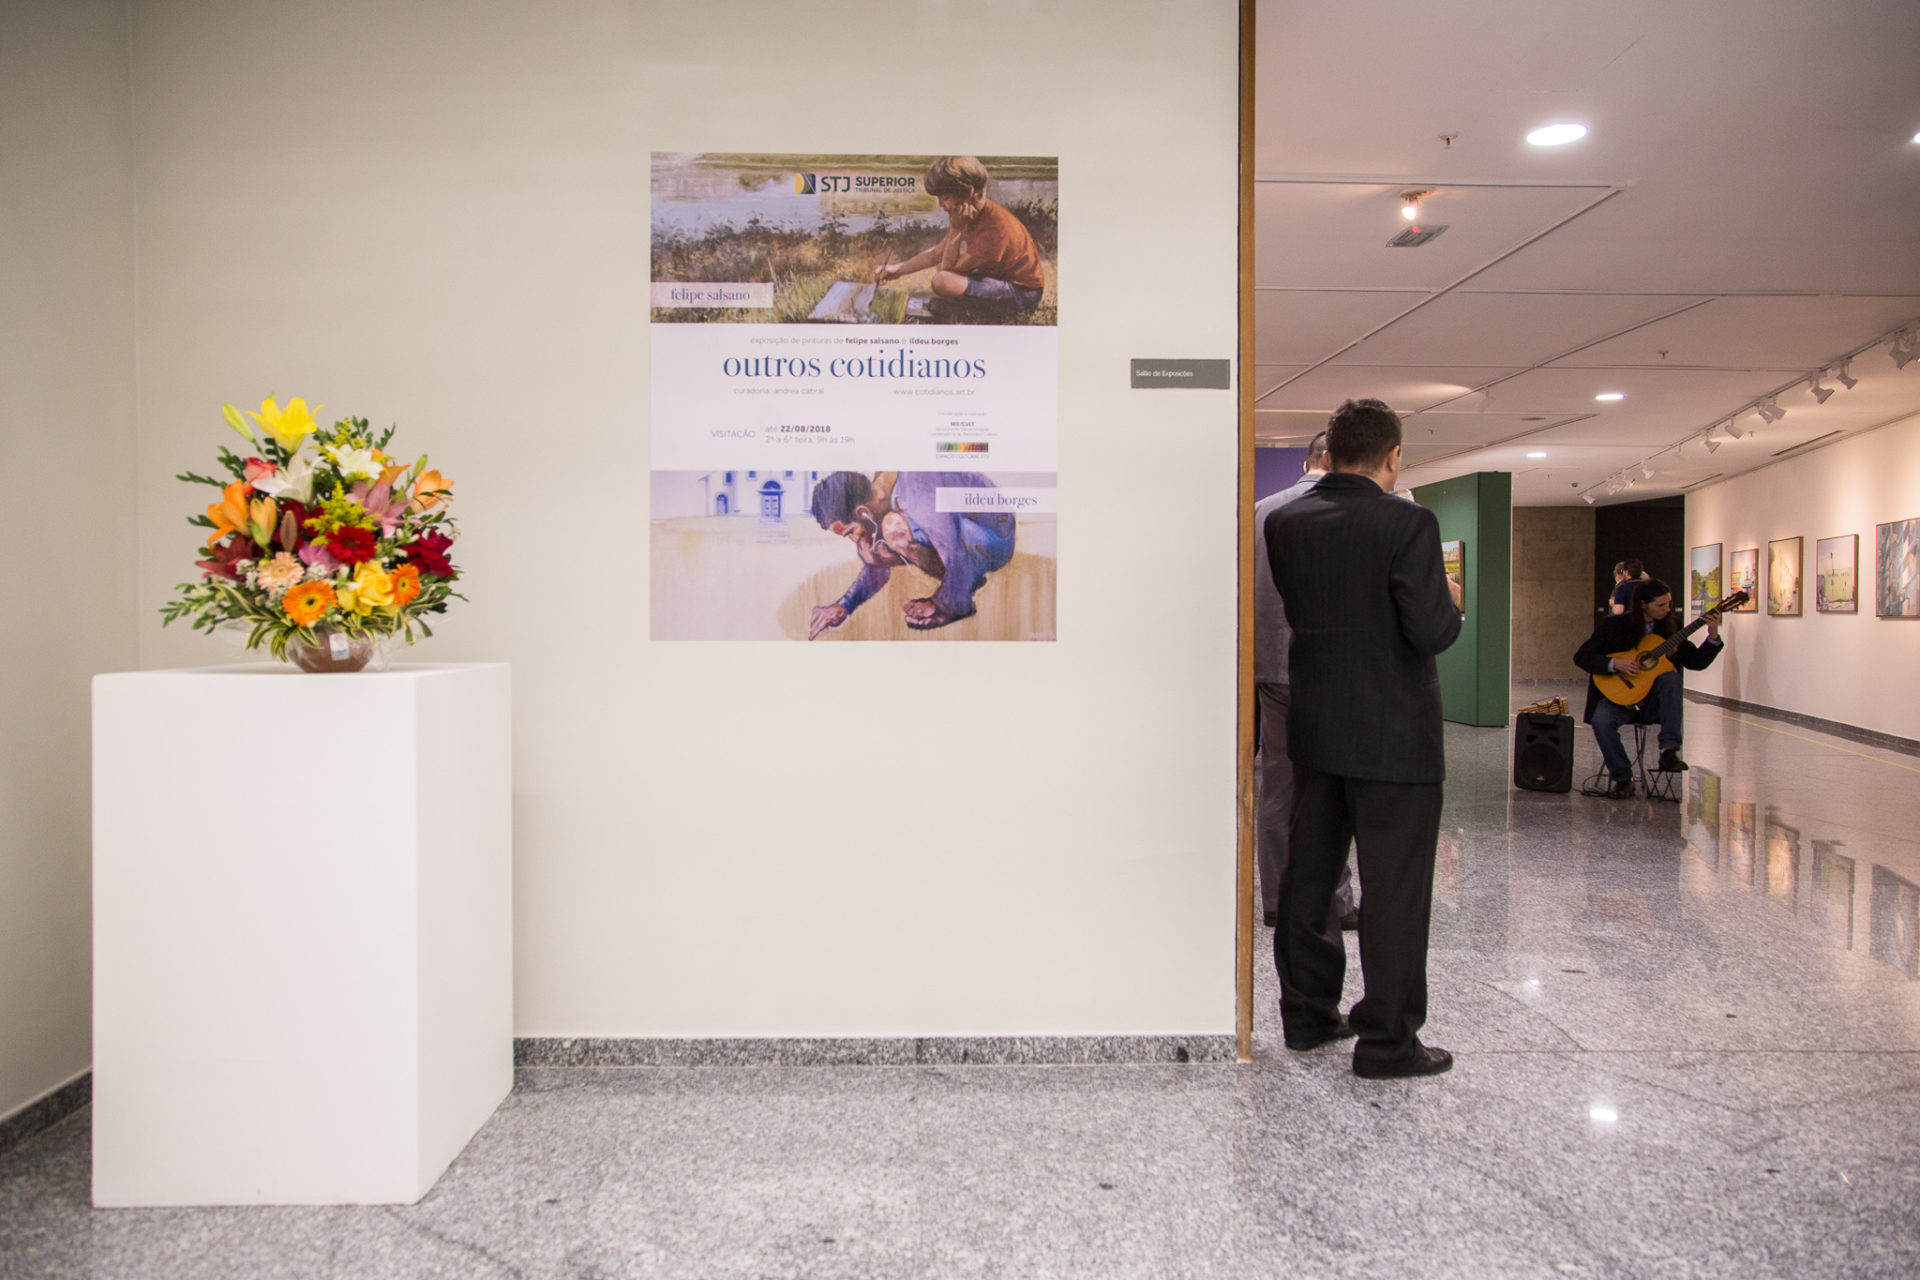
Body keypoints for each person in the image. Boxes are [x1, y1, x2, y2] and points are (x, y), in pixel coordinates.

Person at [1264, 398, 1463, 1079]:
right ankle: (1387, 1043)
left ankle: (1307, 1015)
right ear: (1393, 456)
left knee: (1309, 878)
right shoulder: (1408, 522)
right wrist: (1449, 603)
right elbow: (1430, 630)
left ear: (1329, 453)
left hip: (1316, 725)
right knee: (1394, 889)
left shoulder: (1286, 523)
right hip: (1396, 735)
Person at [1252, 432, 1356, 932]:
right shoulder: (1350, 511)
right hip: (1332, 670)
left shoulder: (1261, 511)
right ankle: (1334, 900)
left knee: (1278, 787)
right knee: (1333, 789)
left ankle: (1276, 899)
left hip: (1272, 668)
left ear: (1307, 461)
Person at [808, 471, 1015, 638]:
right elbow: (876, 568)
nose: (854, 539)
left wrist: (943, 603)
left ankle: (957, 603)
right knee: (873, 546)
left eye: (850, 532)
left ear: (863, 512)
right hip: (962, 536)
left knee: (893, 528)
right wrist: (844, 605)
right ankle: (968, 580)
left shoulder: (915, 489)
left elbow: (955, 552)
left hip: (993, 537)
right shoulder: (878, 499)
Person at [1573, 577, 1722, 797]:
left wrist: (1713, 635)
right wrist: (1614, 663)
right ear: (1643, 604)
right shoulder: (1614, 626)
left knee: (1671, 678)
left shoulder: (1671, 629)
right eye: (1660, 605)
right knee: (1601, 720)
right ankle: (1623, 778)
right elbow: (1583, 656)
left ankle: (1669, 750)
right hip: (1618, 697)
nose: (1667, 609)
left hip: (1652, 703)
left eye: (1668, 604)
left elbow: (1696, 662)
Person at [875, 156, 1046, 322]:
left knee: (943, 282)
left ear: (968, 192)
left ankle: (965, 310)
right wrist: (898, 270)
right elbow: (938, 253)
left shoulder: (996, 227)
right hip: (997, 280)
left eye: (945, 198)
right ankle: (957, 308)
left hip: (1022, 294)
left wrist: (955, 229)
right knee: (944, 290)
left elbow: (947, 273)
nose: (941, 205)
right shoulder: (972, 213)